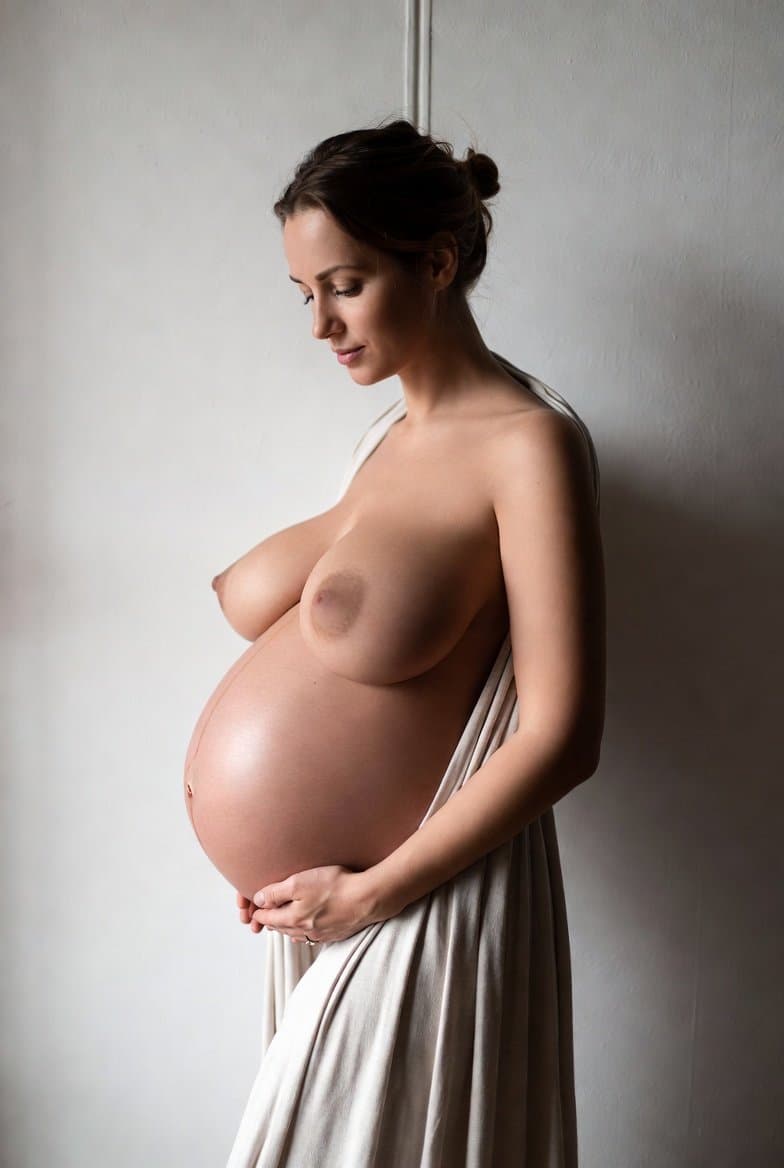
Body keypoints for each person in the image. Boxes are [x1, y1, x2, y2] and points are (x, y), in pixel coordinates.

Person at [224, 117, 605, 1167]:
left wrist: (369, 893)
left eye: (342, 285)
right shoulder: (384, 440)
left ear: (434, 262)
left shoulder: (529, 445)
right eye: (304, 294)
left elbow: (564, 733)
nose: (319, 325)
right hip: (327, 905)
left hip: (421, 897)